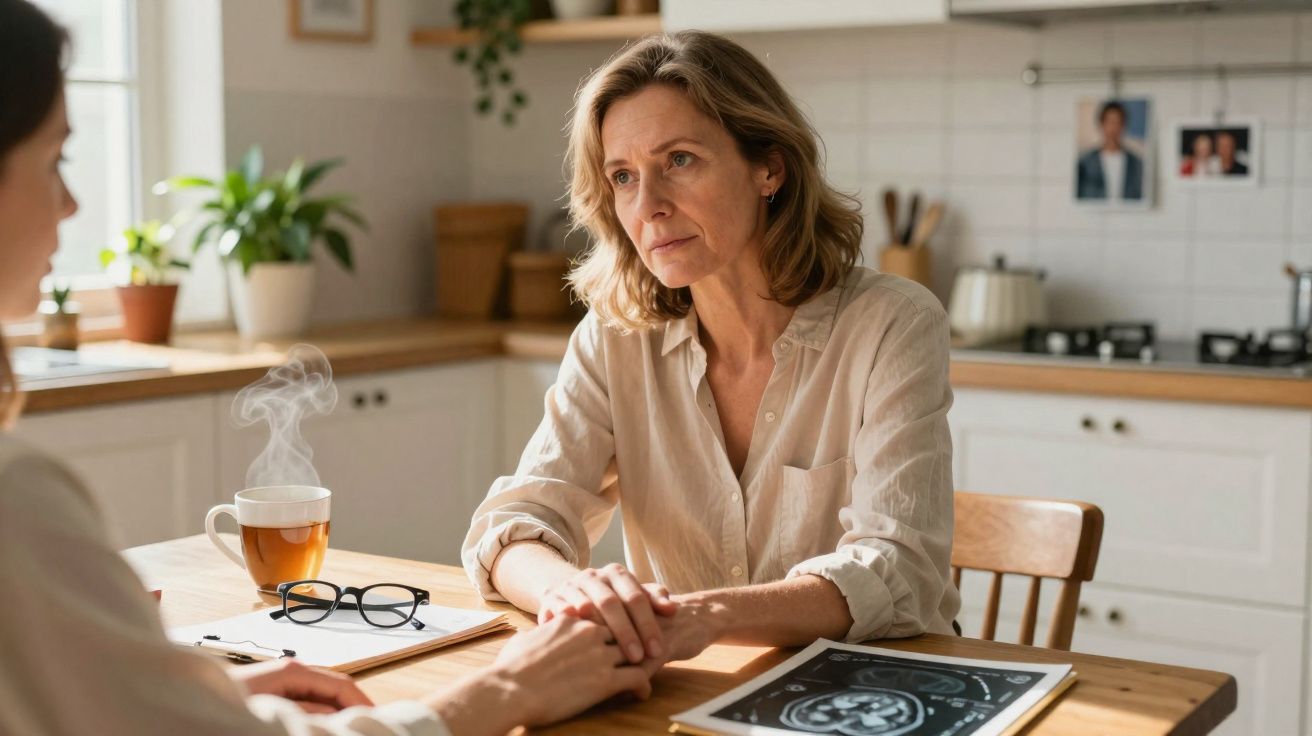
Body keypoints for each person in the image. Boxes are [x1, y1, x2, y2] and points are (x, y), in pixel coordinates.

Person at [0, 2, 652, 734]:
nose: (71, 203)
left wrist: (201, 696)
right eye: (54, 159)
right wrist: (503, 689)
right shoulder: (16, 495)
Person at [463, 31, 960, 675]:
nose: (648, 206)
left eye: (679, 160)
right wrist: (571, 592)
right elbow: (515, 522)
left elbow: (899, 568)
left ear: (768, 169)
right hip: (688, 686)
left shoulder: (892, 324)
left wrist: (703, 616)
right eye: (623, 176)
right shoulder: (614, 337)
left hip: (877, 683)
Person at [1075, 100, 1144, 202]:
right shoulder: (1085, 162)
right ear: (1101, 124)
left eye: (1118, 122)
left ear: (1123, 126)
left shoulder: (1136, 163)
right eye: (1110, 122)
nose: (1113, 128)